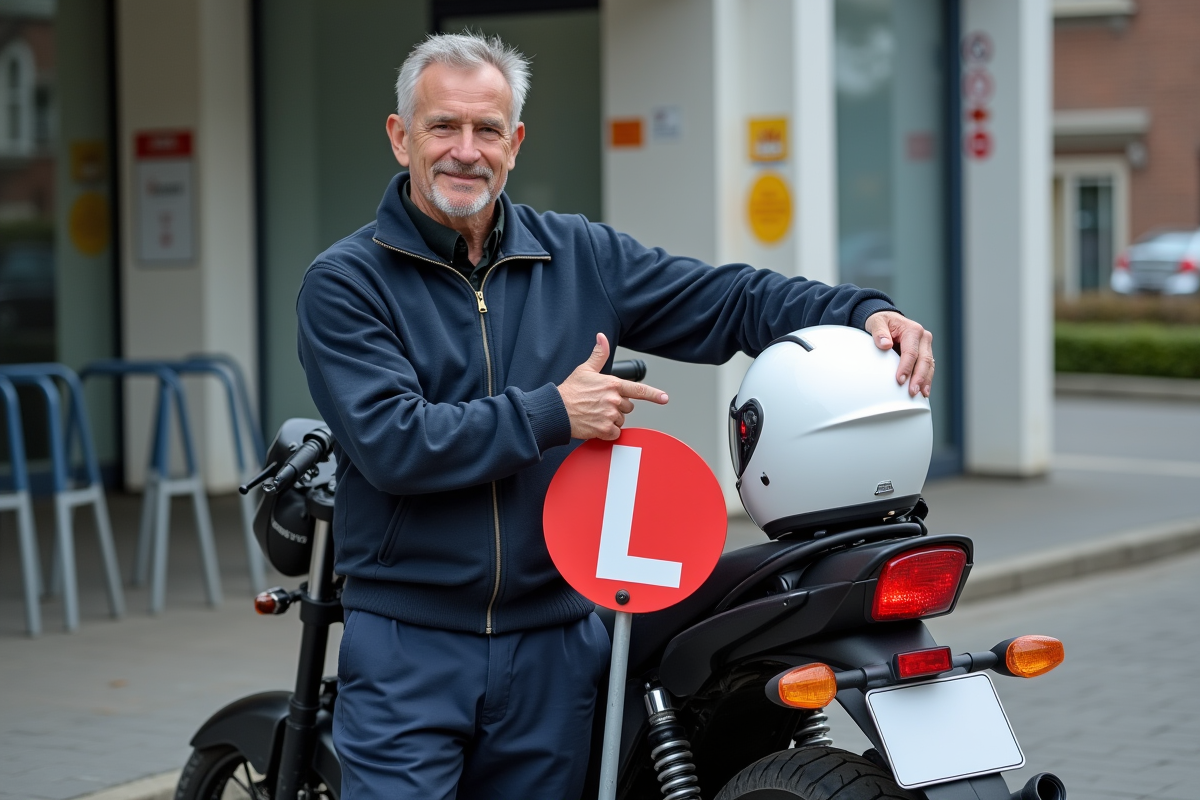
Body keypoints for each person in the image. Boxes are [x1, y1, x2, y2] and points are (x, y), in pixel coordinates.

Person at [295, 31, 935, 800]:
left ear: (515, 142)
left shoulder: (576, 254)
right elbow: (394, 443)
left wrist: (863, 311)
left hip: (556, 645)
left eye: (487, 129)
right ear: (402, 137)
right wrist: (553, 412)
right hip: (412, 646)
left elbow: (729, 300)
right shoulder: (345, 283)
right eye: (443, 127)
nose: (465, 150)